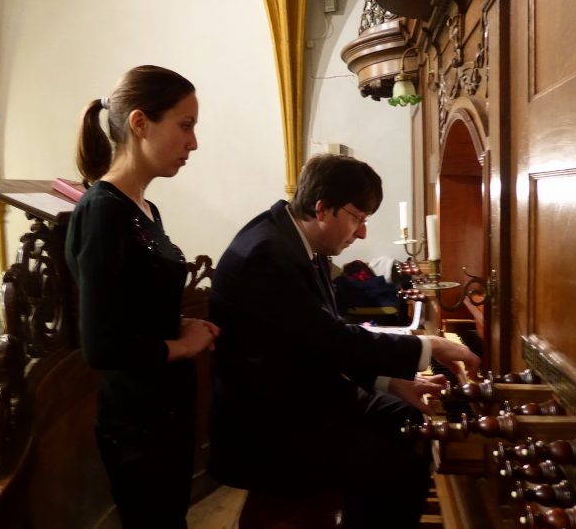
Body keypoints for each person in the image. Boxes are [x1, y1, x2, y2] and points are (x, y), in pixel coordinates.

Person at [208, 154, 481, 528]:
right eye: (358, 218)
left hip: (298, 396)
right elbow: (331, 339)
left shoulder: (301, 242)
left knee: (409, 419)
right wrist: (430, 347)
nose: (363, 232)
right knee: (396, 457)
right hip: (269, 427)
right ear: (322, 209)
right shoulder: (268, 254)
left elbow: (318, 339)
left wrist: (390, 381)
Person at [65, 65, 219, 529]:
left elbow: (139, 304)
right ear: (139, 123)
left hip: (165, 413)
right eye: (185, 125)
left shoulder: (146, 208)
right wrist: (181, 345)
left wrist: (178, 327)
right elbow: (102, 344)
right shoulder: (101, 211)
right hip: (136, 424)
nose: (193, 143)